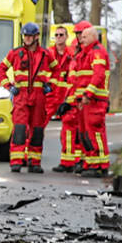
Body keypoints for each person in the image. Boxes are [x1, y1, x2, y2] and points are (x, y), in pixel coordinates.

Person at [0, 22, 54, 173]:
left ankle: (35, 163)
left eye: (29, 36)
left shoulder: (45, 55)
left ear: (36, 37)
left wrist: (50, 85)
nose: (27, 38)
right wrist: (8, 86)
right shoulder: (15, 53)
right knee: (19, 130)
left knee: (37, 130)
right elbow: (1, 69)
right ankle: (16, 162)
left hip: (39, 97)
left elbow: (57, 70)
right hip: (21, 96)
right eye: (25, 35)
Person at [74, 25, 111, 177]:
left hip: (94, 100)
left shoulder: (97, 52)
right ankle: (90, 162)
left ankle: (99, 164)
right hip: (86, 100)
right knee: (85, 133)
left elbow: (98, 75)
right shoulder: (85, 53)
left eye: (84, 37)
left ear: (93, 37)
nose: (81, 39)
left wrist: (88, 94)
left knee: (95, 132)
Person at [51, 23, 82, 173]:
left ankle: (73, 162)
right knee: (69, 133)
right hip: (58, 97)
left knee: (71, 131)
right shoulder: (50, 53)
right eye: (56, 35)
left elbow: (74, 84)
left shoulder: (75, 59)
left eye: (61, 35)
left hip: (71, 100)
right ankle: (71, 161)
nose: (58, 38)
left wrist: (68, 102)